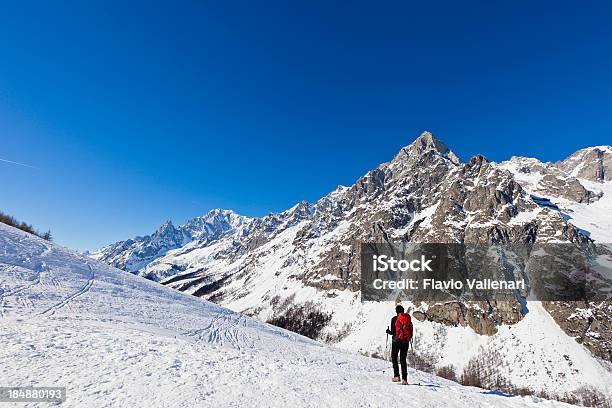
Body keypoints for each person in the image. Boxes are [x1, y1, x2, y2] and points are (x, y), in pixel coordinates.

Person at [386, 304, 413, 385]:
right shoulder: (408, 318)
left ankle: (397, 376)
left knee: (394, 357)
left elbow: (394, 332)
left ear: (396, 311)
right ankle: (405, 379)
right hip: (405, 341)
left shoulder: (394, 319)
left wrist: (388, 331)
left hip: (396, 341)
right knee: (403, 360)